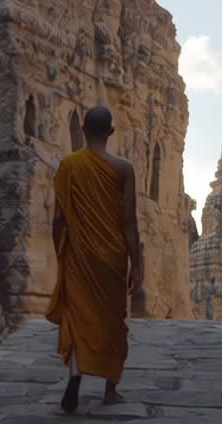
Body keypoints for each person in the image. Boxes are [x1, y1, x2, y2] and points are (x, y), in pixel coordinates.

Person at [45, 105, 143, 412]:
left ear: (84, 131)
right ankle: (110, 391)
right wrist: (136, 264)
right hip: (112, 257)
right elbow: (130, 221)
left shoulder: (68, 165)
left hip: (79, 253)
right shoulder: (124, 168)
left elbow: (59, 218)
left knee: (78, 315)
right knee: (113, 321)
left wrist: (59, 249)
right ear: (111, 132)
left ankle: (75, 373)